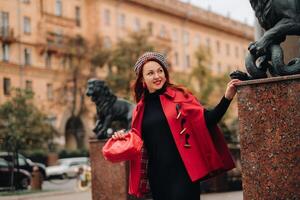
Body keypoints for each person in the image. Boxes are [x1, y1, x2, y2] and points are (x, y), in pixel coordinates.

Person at [112, 52, 241, 200]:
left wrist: (227, 97)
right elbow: (137, 142)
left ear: (166, 74)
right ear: (142, 79)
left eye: (160, 71)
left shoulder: (180, 97)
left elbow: (209, 120)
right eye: (150, 73)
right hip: (157, 177)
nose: (157, 76)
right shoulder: (139, 109)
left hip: (184, 175)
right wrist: (121, 138)